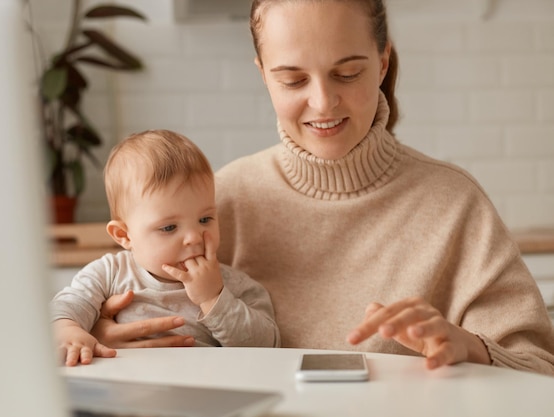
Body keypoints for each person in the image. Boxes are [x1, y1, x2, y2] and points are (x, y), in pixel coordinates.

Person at [87, 0, 554, 375]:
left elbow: (538, 366)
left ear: (382, 59)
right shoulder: (215, 206)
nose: (323, 101)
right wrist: (107, 340)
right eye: (292, 79)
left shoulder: (454, 204)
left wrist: (469, 347)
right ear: (263, 74)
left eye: (347, 73)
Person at [51, 129, 280, 366]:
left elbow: (269, 346)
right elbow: (66, 306)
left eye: (205, 220)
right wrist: (67, 329)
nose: (193, 238)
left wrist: (214, 298)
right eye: (169, 227)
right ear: (124, 235)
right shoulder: (109, 273)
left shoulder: (233, 285)